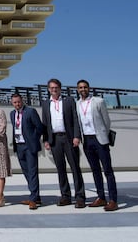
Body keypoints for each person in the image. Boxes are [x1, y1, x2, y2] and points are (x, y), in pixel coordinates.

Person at [41, 78, 85, 208]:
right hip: (55, 139)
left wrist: (77, 136)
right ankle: (65, 196)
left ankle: (80, 196)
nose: (54, 90)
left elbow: (75, 119)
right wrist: (46, 140)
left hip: (69, 138)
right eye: (51, 88)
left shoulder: (68, 101)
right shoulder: (45, 103)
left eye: (56, 87)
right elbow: (45, 123)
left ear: (60, 88)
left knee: (75, 168)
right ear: (48, 89)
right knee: (60, 169)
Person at [77, 79, 119, 211]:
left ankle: (113, 200)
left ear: (89, 88)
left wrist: (103, 135)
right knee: (95, 170)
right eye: (80, 87)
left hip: (99, 139)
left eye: (85, 87)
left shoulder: (98, 101)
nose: (83, 89)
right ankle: (101, 197)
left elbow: (107, 121)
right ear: (77, 90)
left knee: (107, 170)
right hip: (87, 140)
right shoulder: (77, 104)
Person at [9, 92, 46, 210]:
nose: (17, 104)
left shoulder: (30, 111)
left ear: (22, 101)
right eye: (15, 102)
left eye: (18, 102)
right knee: (26, 172)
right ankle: (36, 196)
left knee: (32, 172)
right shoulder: (12, 114)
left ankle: (33, 199)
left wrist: (33, 139)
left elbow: (40, 127)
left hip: (29, 146)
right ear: (12, 103)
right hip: (19, 146)